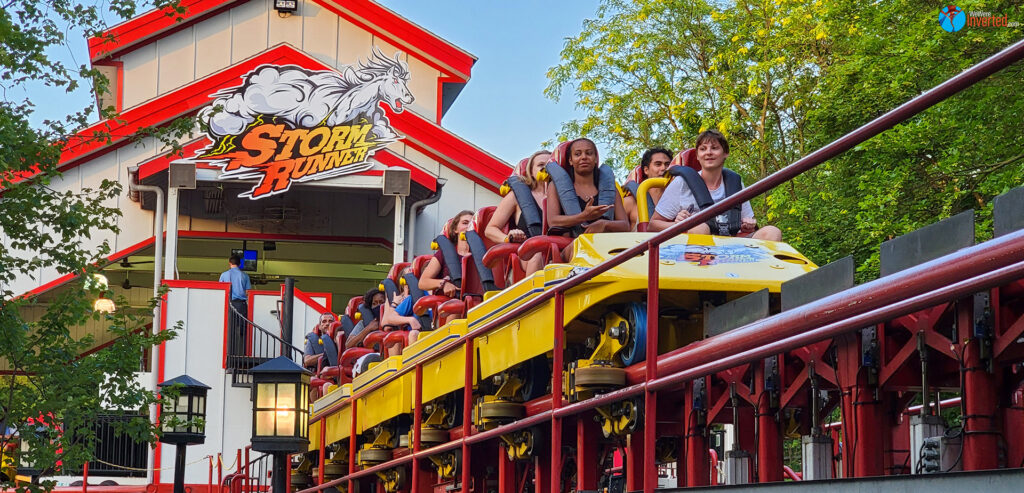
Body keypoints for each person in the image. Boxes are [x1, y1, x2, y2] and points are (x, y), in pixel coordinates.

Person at [649, 130, 782, 241]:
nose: (708, 153)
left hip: (731, 247)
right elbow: (653, 225)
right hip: (694, 251)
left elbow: (747, 224)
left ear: (725, 153)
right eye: (703, 149)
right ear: (697, 156)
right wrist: (679, 225)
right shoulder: (681, 183)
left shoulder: (735, 183)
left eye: (714, 148)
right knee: (700, 228)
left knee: (772, 232)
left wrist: (749, 226)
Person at [484, 150, 551, 276]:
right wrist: (508, 238)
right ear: (531, 171)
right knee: (538, 255)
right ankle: (534, 289)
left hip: (557, 250)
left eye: (550, 164)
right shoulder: (515, 196)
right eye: (541, 165)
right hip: (528, 253)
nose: (546, 168)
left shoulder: (564, 196)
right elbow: (490, 229)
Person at [545, 138, 629, 237]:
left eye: (589, 153)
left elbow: (625, 225)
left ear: (596, 159)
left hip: (605, 242)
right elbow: (553, 221)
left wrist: (604, 224)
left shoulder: (610, 188)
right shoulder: (555, 187)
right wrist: (583, 216)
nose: (584, 157)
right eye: (577, 154)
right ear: (570, 160)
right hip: (571, 243)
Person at [418, 210, 474, 297]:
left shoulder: (480, 256)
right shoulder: (442, 254)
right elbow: (423, 282)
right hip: (449, 302)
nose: (469, 227)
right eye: (465, 223)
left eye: (472, 224)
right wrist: (444, 284)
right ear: (455, 229)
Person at [623, 148, 673, 229]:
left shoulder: (677, 200)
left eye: (667, 164)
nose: (664, 168)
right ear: (646, 170)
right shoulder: (629, 202)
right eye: (658, 164)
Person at [381, 267, 423, 355]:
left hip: (420, 329)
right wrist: (395, 304)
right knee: (395, 336)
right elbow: (386, 325)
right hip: (404, 332)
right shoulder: (398, 297)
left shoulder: (420, 294)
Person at [219, 254, 252, 357]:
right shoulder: (245, 276)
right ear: (240, 263)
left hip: (228, 304)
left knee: (230, 328)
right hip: (241, 305)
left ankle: (230, 353)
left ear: (229, 263)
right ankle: (243, 353)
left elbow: (220, 290)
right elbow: (248, 292)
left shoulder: (224, 275)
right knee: (243, 330)